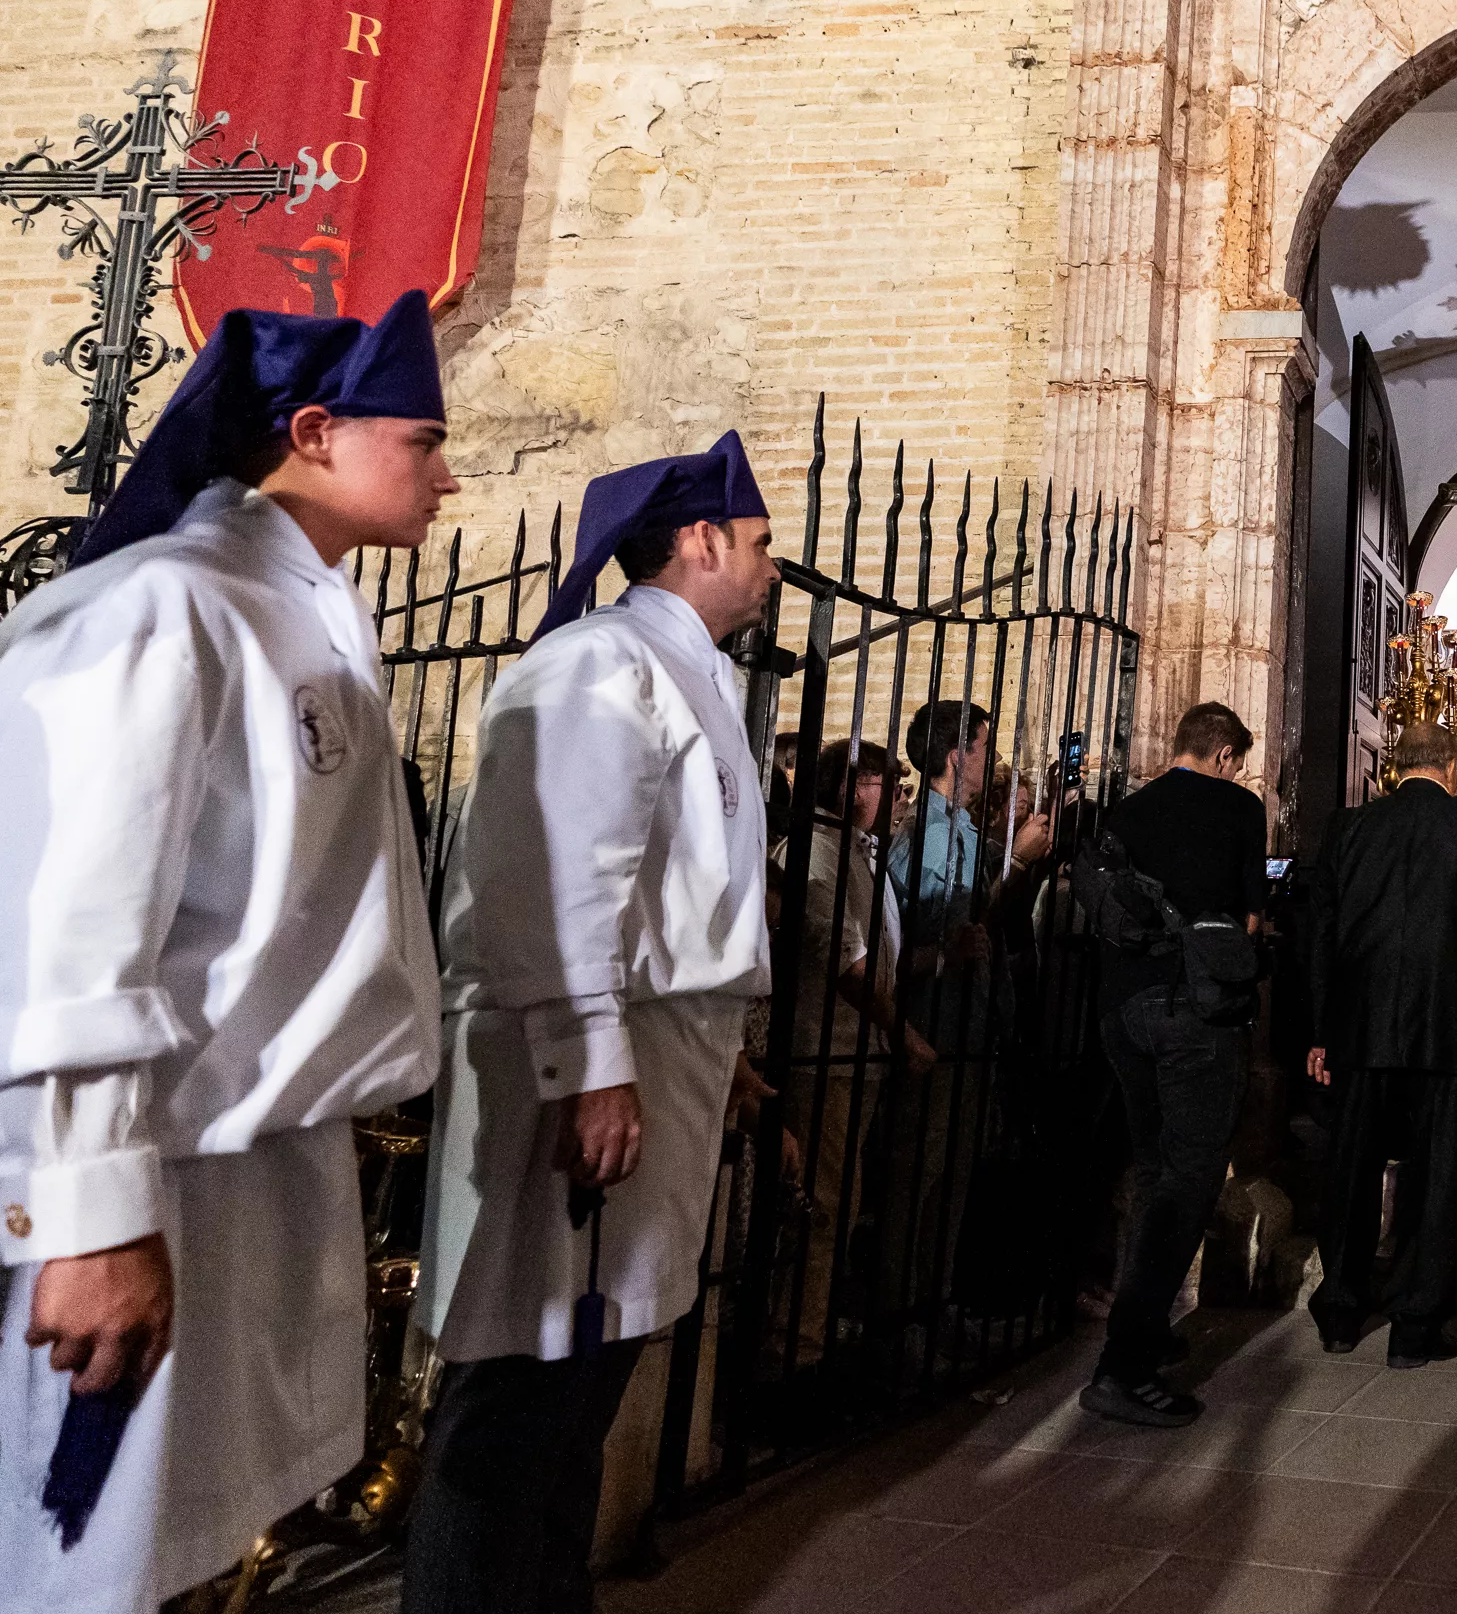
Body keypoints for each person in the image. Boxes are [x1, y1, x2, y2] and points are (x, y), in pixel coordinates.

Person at [0, 297, 453, 1612]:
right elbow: (74, 924)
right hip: (153, 1166)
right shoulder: (163, 607)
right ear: (313, 431)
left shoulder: (296, 612)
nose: (448, 471)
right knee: (83, 1563)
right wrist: (89, 1214)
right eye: (421, 437)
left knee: (193, 1550)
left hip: (254, 1152)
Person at [407, 434, 779, 1614]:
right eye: (762, 544)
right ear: (701, 539)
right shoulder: (598, 662)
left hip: (658, 1043)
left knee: (589, 1376)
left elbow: (683, 886)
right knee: (522, 1381)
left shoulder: (694, 672)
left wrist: (720, 1047)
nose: (775, 566)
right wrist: (592, 1061)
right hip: (579, 1054)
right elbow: (560, 873)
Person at [1304, 722, 1457, 1364]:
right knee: (1438, 1174)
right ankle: (1414, 1326)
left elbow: (1319, 937)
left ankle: (1341, 1314)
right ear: (1456, 766)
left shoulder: (1348, 829)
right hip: (1451, 1031)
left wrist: (1320, 1032)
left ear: (1394, 766)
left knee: (1351, 1168)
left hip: (1359, 1029)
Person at [1081, 701, 1267, 1426]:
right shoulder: (1236, 808)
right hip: (1195, 1015)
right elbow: (1250, 919)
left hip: (1122, 1013)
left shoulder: (1128, 810)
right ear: (1223, 755)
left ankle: (1146, 1330)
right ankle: (1123, 1367)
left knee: (1155, 1172)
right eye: (1237, 762)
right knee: (1190, 1180)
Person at [887, 701, 1051, 1319]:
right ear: (957, 756)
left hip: (969, 1027)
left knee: (950, 1182)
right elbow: (932, 937)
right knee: (920, 1182)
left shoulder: (958, 829)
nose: (992, 761)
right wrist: (1015, 863)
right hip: (937, 1028)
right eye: (985, 748)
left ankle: (934, 1305)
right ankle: (900, 1317)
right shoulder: (930, 836)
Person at [781, 738, 936, 1371]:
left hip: (854, 1050)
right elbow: (846, 960)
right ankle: (795, 1349)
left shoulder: (852, 855)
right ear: (845, 789)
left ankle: (810, 1332)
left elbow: (881, 954)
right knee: (820, 1205)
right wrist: (903, 1032)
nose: (889, 796)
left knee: (839, 1202)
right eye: (876, 783)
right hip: (827, 1052)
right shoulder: (816, 854)